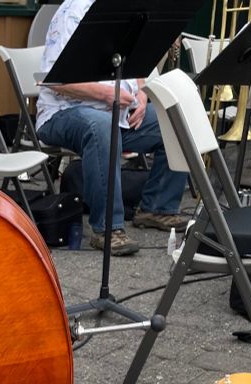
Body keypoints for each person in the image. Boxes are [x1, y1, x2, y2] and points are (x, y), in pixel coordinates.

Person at [36, 0, 189, 255]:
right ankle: (108, 229)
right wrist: (106, 96)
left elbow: (134, 62)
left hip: (118, 112)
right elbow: (54, 79)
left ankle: (157, 208)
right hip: (63, 113)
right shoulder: (73, 13)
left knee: (175, 120)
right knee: (102, 127)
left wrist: (141, 95)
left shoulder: (122, 10)